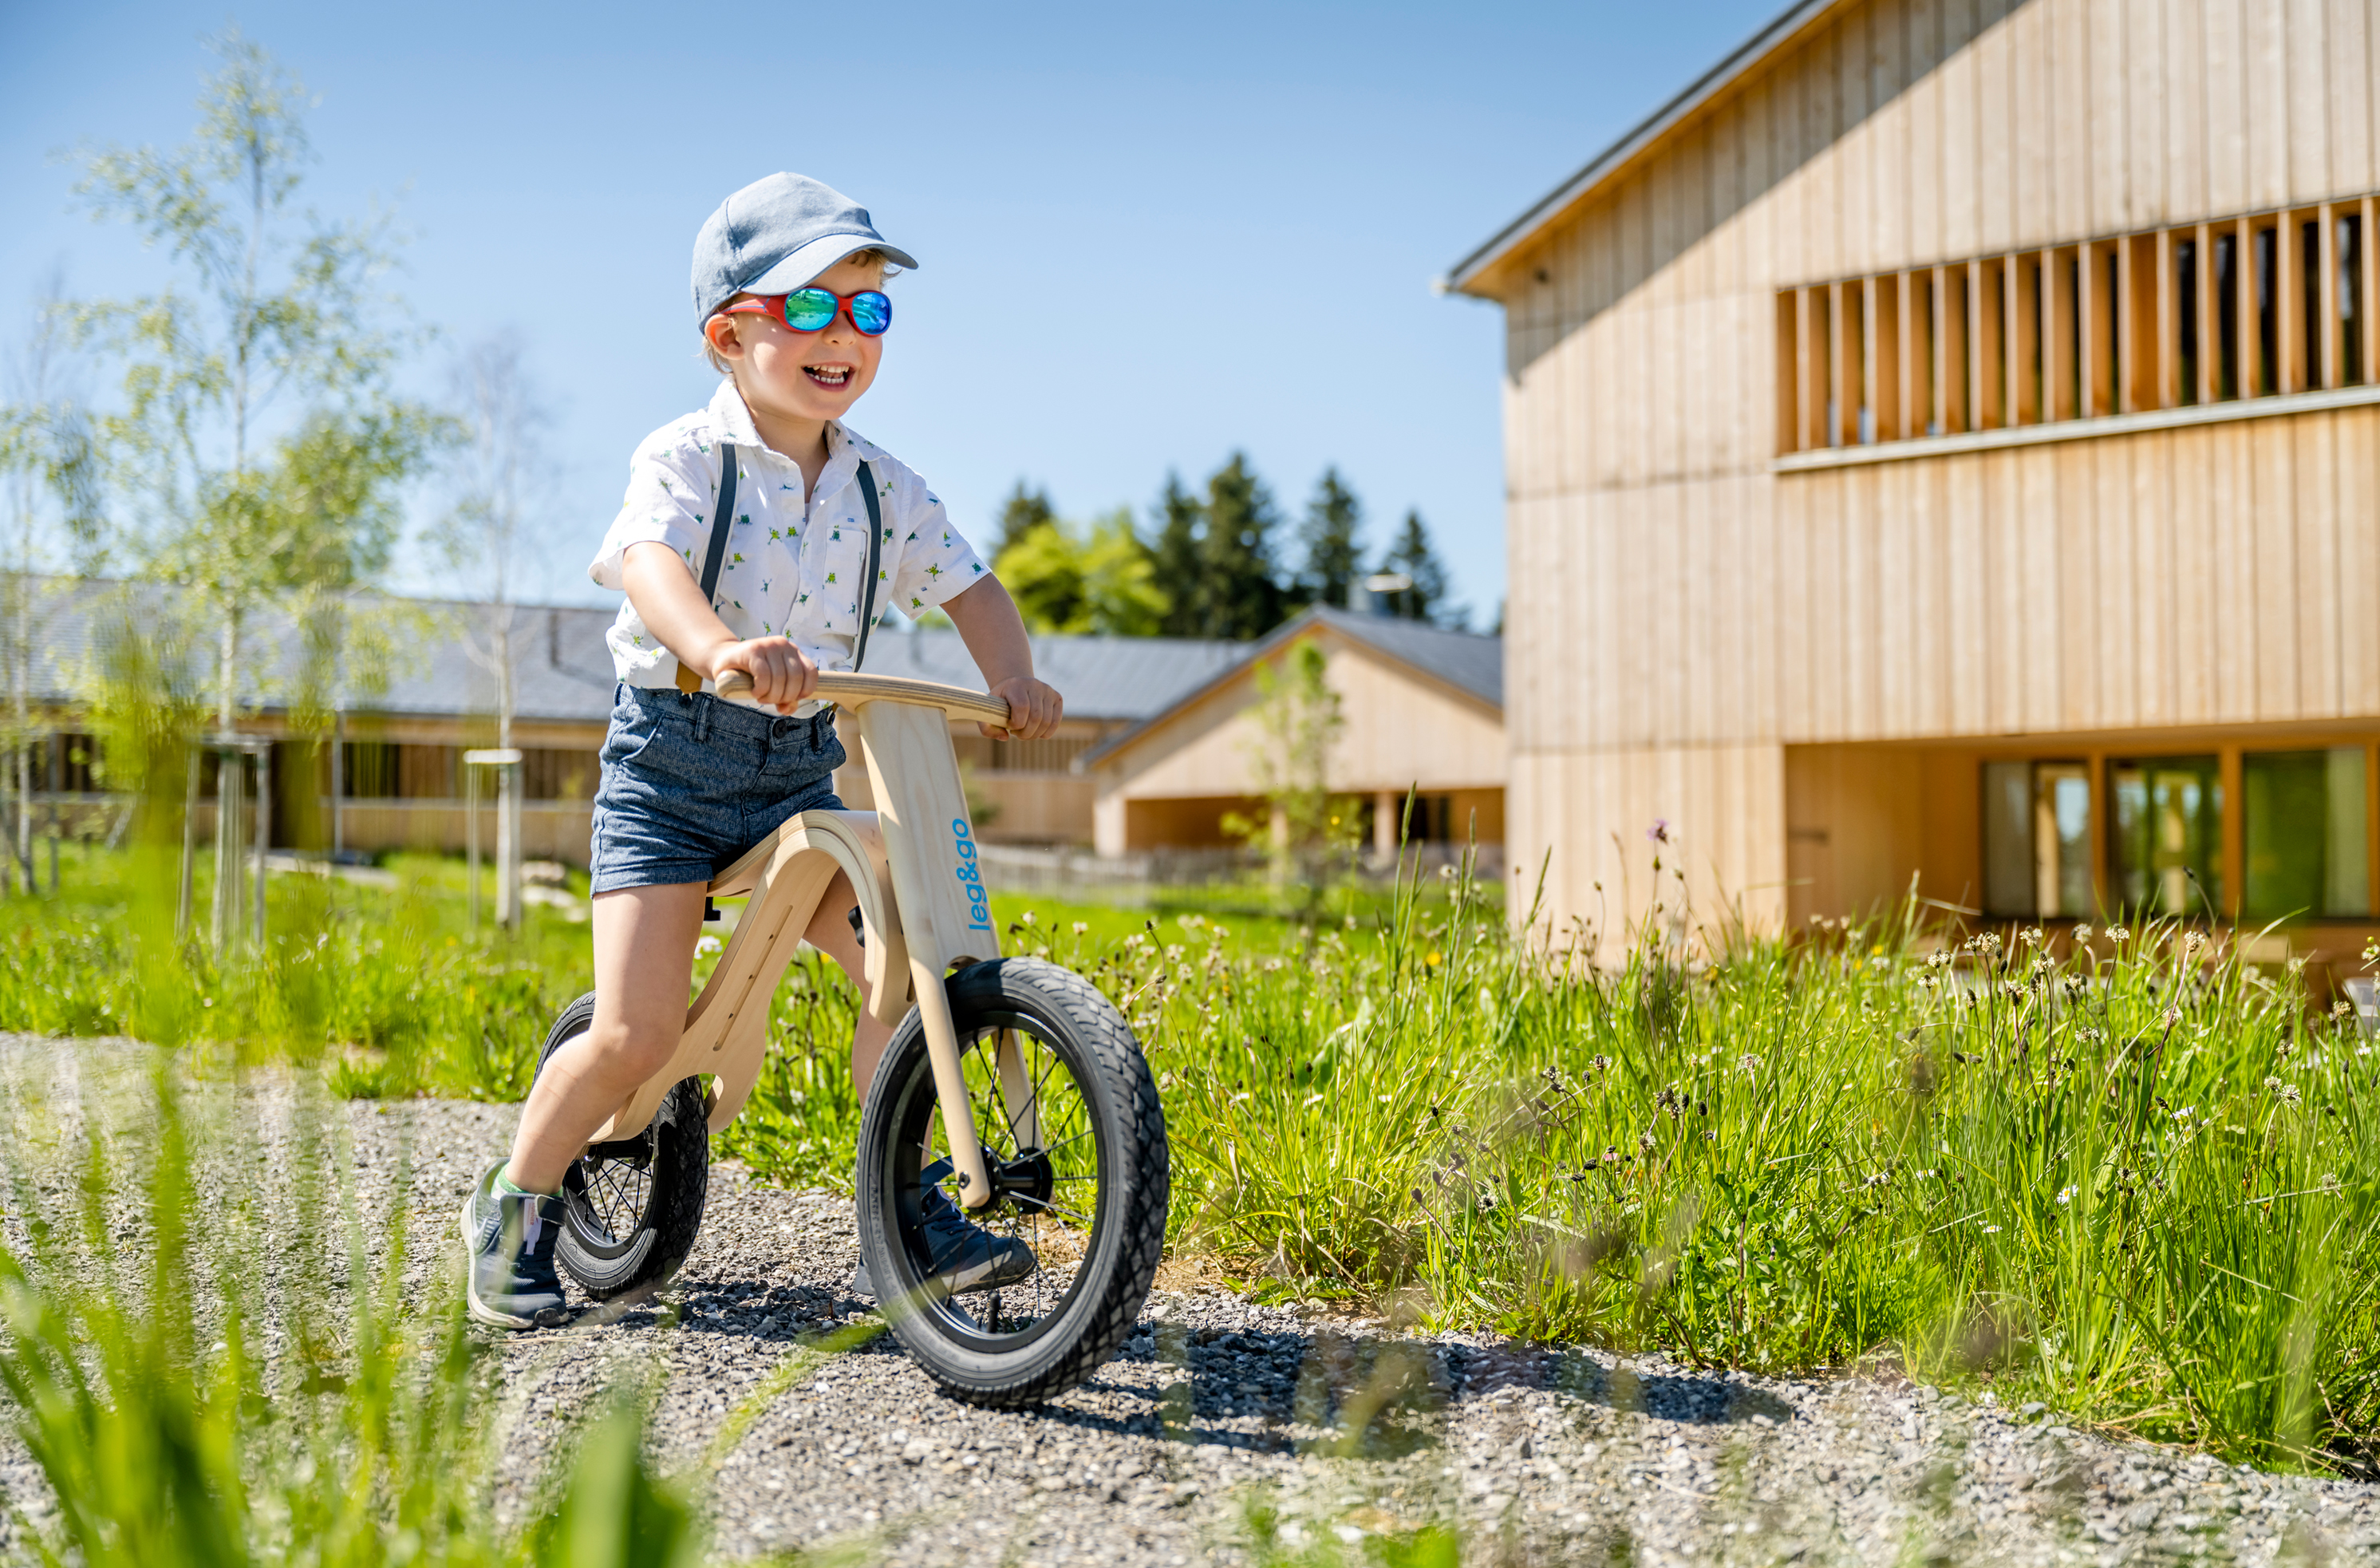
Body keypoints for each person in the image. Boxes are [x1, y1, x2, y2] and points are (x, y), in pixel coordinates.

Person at [463, 172, 1064, 1329]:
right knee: (637, 1030)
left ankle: (911, 1195)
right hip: (672, 773)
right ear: (730, 334)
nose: (845, 337)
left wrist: (1014, 677)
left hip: (797, 774)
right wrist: (722, 645)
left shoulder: (883, 483)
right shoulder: (688, 456)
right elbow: (649, 563)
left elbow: (972, 584)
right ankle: (518, 1200)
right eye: (812, 310)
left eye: (869, 312)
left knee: (904, 964)